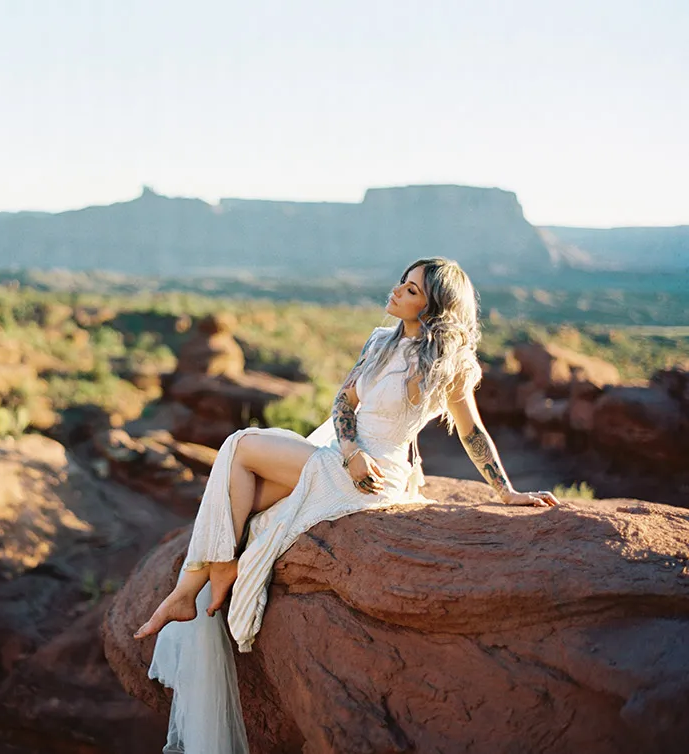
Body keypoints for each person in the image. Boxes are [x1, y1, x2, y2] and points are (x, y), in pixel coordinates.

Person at [133, 257, 561, 754]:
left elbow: (471, 431)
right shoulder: (381, 341)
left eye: (413, 290)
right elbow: (343, 405)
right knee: (243, 503)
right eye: (403, 282)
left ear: (436, 306)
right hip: (344, 457)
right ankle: (199, 582)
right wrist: (351, 453)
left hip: (378, 478)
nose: (398, 291)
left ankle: (208, 575)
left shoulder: (452, 363)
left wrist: (506, 491)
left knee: (241, 446)